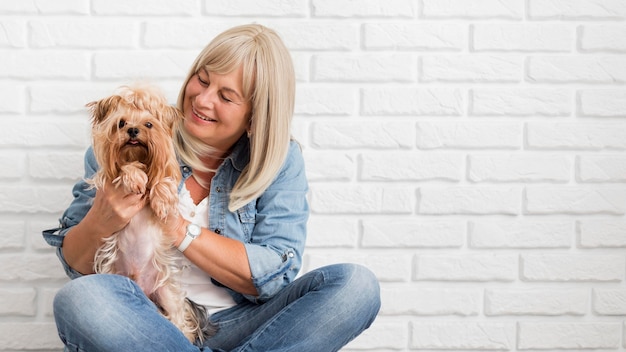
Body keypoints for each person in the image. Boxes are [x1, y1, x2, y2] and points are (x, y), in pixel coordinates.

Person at [43, 24, 380, 352]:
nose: (202, 101)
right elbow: (77, 265)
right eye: (201, 80)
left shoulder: (281, 161)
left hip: (246, 324)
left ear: (254, 117)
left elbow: (274, 273)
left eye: (225, 96)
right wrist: (102, 220)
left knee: (355, 287)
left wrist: (178, 228)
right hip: (144, 320)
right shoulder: (125, 147)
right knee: (81, 300)